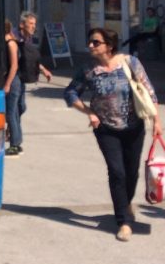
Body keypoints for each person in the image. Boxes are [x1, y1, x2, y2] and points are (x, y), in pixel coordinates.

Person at [64, 26, 162, 242]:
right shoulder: (88, 69)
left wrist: (157, 122)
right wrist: (89, 112)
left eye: (96, 42)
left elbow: (149, 91)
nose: (90, 45)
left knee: (131, 172)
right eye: (90, 42)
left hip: (134, 127)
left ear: (109, 46)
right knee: (117, 172)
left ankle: (125, 204)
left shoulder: (130, 63)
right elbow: (70, 92)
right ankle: (124, 221)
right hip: (106, 129)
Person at [14, 11, 52, 152]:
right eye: (30, 24)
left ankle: (12, 128)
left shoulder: (28, 38)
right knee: (14, 109)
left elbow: (31, 59)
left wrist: (44, 70)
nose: (33, 27)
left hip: (23, 75)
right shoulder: (14, 38)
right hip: (14, 76)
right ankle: (15, 141)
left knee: (21, 107)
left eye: (34, 24)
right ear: (21, 25)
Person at [3, 20, 22, 157]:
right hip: (12, 80)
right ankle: (17, 142)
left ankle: (14, 145)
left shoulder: (11, 44)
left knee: (10, 114)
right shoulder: (9, 42)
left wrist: (7, 84)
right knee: (13, 113)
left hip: (13, 81)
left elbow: (14, 66)